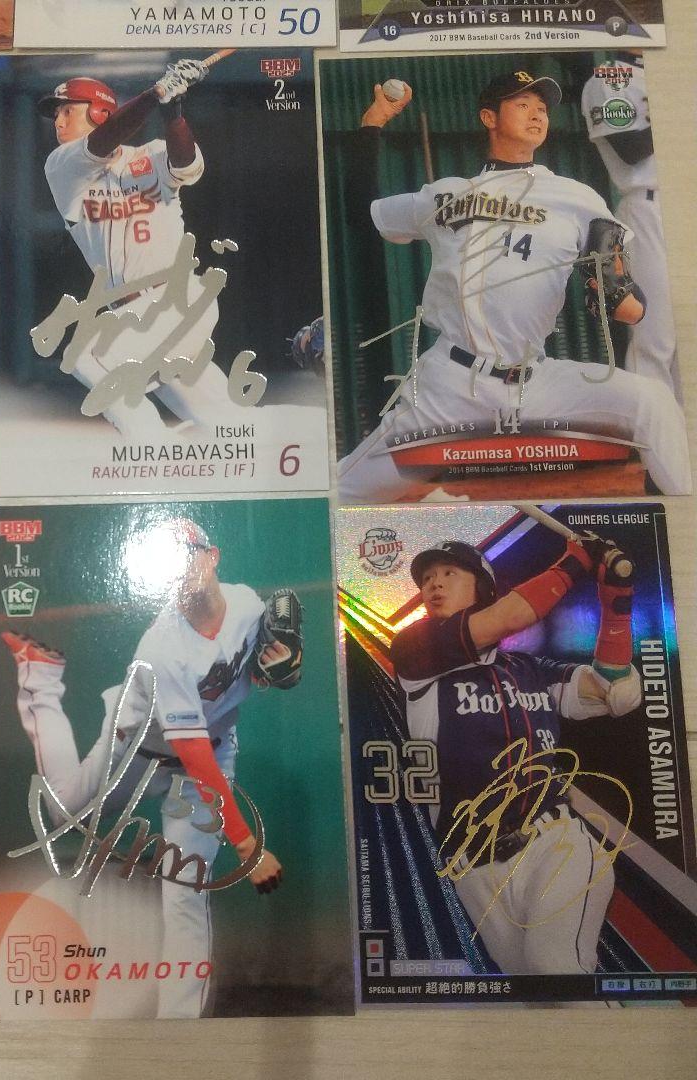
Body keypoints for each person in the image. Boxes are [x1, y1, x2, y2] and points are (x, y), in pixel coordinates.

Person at [334, 69, 690, 500]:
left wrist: (617, 293)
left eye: (542, 108)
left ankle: (683, 514)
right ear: (489, 117)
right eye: (522, 105)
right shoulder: (446, 194)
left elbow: (629, 304)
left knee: (653, 401)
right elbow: (362, 212)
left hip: (535, 384)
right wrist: (373, 122)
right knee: (342, 491)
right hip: (450, 390)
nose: (537, 114)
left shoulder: (577, 198)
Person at [0, 518, 299, 1017]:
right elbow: (192, 751)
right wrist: (247, 846)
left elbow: (260, 670)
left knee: (185, 893)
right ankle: (43, 680)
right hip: (136, 753)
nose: (183, 570)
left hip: (210, 753)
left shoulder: (248, 605)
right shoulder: (163, 647)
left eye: (190, 555)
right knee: (61, 813)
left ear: (212, 556)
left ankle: (178, 1030)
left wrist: (281, 667)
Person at [388, 533, 640, 974]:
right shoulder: (415, 650)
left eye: (449, 573)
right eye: (426, 578)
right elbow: (512, 616)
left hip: (553, 842)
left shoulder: (530, 670)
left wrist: (616, 602)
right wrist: (575, 561)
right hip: (471, 866)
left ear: (483, 588)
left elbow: (613, 691)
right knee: (533, 993)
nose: (433, 584)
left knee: (555, 967)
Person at [38, 63, 251, 439]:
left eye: (67, 110)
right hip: (136, 313)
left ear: (99, 112)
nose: (58, 121)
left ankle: (151, 450)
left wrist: (173, 111)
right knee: (233, 427)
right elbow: (102, 142)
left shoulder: (152, 153)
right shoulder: (61, 166)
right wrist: (156, 95)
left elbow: (186, 164)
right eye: (57, 113)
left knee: (89, 357)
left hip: (178, 297)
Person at [581, 53, 678, 393]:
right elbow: (630, 149)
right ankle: (648, 426)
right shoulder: (610, 76)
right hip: (649, 207)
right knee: (656, 336)